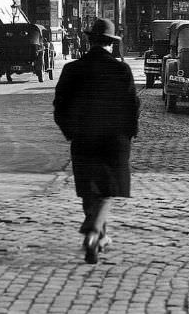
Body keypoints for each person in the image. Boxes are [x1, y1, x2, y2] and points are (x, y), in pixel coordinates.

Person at [53, 18, 139, 265]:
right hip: (114, 141)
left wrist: (71, 131)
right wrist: (129, 134)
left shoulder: (72, 69)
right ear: (111, 44)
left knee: (89, 191)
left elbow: (60, 106)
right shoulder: (121, 70)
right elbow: (131, 106)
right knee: (107, 191)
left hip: (83, 139)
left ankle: (101, 237)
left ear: (89, 41)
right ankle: (92, 234)